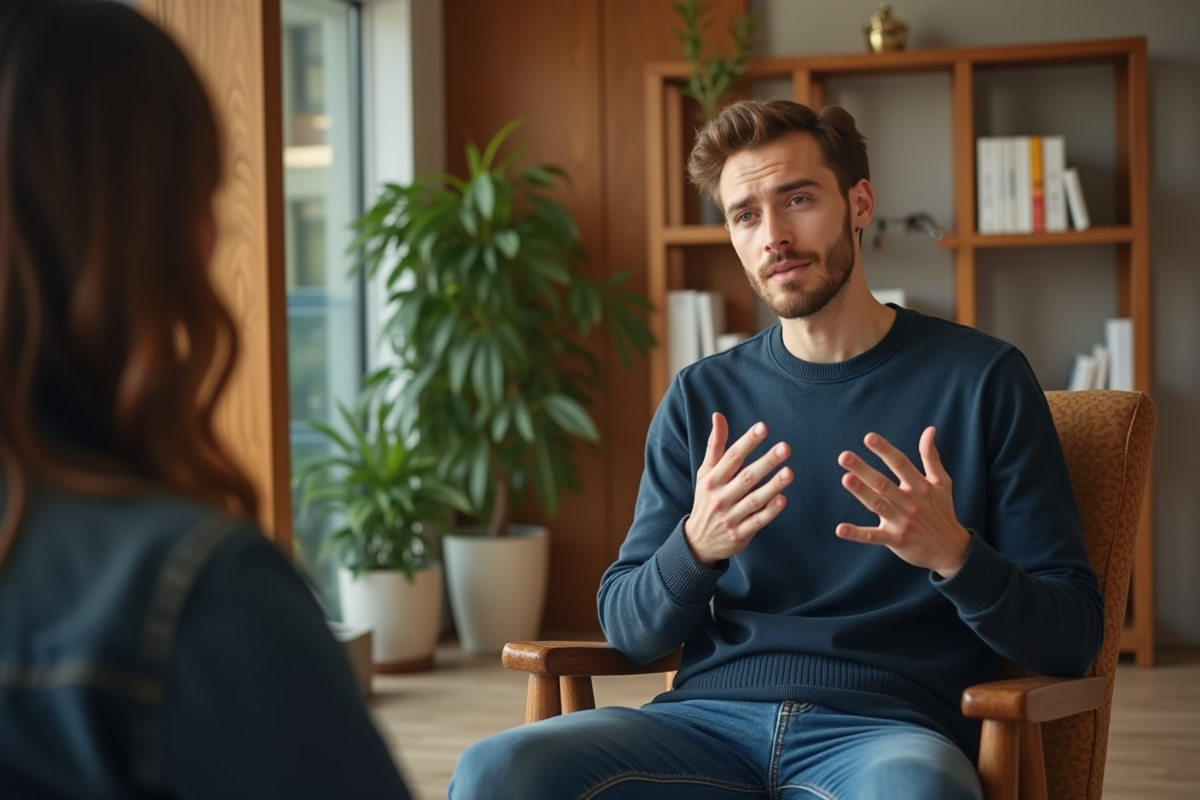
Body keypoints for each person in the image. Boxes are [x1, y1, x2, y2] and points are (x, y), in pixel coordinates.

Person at [449, 98, 1103, 799]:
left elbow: (1072, 637)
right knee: (496, 772)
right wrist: (696, 546)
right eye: (745, 215)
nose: (774, 237)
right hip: (703, 727)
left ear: (859, 203)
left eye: (797, 199)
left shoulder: (983, 380)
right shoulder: (701, 396)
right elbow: (629, 627)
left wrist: (956, 555)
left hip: (886, 736)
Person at [0, 2, 413, 797]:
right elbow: (624, 611)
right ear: (160, 230)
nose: (216, 235)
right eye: (204, 196)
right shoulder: (197, 594)